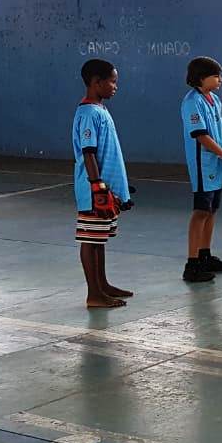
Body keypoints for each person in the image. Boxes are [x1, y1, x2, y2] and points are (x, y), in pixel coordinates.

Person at [72, 59, 133, 308]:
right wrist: (97, 185)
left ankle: (102, 285)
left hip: (106, 188)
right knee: (90, 239)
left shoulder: (100, 110)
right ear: (97, 82)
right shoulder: (88, 113)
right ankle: (93, 294)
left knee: (99, 239)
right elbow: (88, 152)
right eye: (112, 82)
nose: (115, 86)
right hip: (94, 190)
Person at [181, 56, 222, 283]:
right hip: (204, 165)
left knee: (212, 209)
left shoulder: (214, 99)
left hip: (219, 163)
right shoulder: (192, 102)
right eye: (216, 76)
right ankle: (192, 264)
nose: (220, 80)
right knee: (201, 211)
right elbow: (200, 135)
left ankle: (205, 255)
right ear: (201, 78)